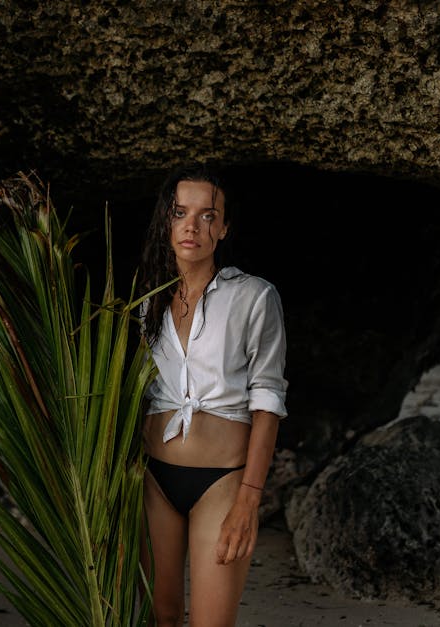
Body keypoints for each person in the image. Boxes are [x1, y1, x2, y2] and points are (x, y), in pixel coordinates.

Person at [137, 163, 288, 626]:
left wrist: (249, 499)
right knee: (161, 617)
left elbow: (267, 401)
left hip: (222, 484)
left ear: (223, 228)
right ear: (167, 221)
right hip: (154, 480)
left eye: (207, 215)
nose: (192, 226)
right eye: (181, 212)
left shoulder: (254, 297)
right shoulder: (147, 299)